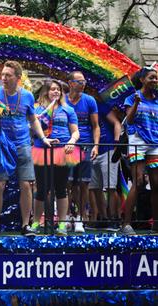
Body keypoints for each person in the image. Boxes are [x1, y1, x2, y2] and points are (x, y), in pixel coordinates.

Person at [0, 61, 52, 237]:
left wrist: (42, 138)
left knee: (26, 185)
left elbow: (33, 119)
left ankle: (25, 225)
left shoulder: (27, 96)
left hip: (23, 144)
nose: (3, 78)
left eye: (8, 75)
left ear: (18, 78)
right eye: (3, 74)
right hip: (2, 146)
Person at [30, 80, 80, 236]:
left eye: (58, 89)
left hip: (62, 152)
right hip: (42, 151)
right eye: (52, 89)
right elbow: (31, 129)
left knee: (61, 189)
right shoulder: (37, 109)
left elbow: (75, 132)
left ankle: (62, 224)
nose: (56, 92)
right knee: (42, 189)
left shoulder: (68, 110)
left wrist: (72, 141)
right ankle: (37, 222)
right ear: (46, 92)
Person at [122, 67, 158, 235]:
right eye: (151, 78)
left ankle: (156, 224)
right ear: (142, 80)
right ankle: (127, 224)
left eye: (156, 78)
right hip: (138, 141)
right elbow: (129, 120)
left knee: (156, 184)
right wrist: (136, 103)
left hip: (155, 143)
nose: (155, 81)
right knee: (138, 182)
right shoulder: (132, 98)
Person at [65, 71, 100, 233]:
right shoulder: (62, 100)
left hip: (85, 145)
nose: (83, 84)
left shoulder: (90, 100)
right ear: (71, 83)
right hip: (67, 146)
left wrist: (96, 145)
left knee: (84, 183)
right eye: (79, 81)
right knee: (68, 183)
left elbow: (95, 126)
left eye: (84, 81)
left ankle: (80, 216)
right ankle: (67, 215)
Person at [88, 104, 122, 230]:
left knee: (110, 187)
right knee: (95, 187)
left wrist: (116, 143)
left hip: (108, 148)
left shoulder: (102, 107)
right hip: (91, 151)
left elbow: (117, 123)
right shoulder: (85, 108)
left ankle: (114, 218)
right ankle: (103, 217)